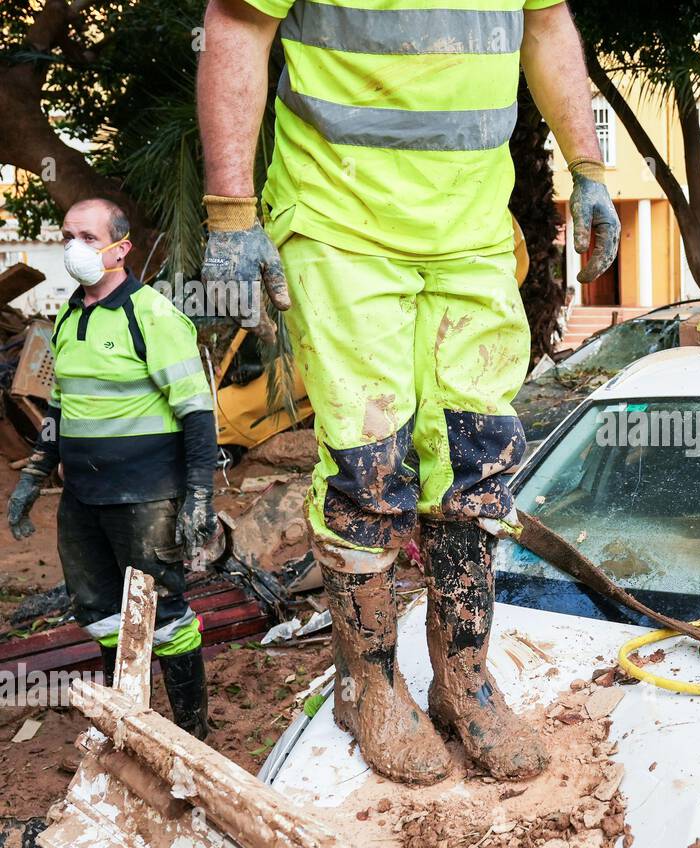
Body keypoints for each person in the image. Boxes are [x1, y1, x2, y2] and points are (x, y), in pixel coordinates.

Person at [197, 0, 619, 783]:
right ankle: (370, 684)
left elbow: (549, 22)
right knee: (369, 463)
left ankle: (465, 678)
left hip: (471, 233)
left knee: (478, 459)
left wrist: (588, 166)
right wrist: (231, 213)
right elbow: (235, 26)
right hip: (339, 223)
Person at [7, 198, 217, 737]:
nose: (73, 247)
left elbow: (196, 411)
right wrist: (33, 476)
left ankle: (193, 734)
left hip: (145, 497)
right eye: (66, 236)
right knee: (99, 611)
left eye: (87, 236)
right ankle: (129, 722)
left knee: (165, 615)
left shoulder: (152, 314)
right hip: (81, 498)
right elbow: (58, 406)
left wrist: (198, 497)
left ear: (120, 249)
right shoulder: (69, 316)